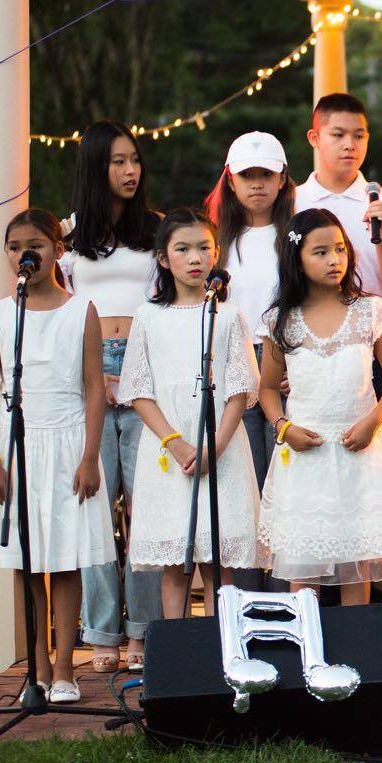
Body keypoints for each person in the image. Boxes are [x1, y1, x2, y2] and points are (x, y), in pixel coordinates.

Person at [0, 209, 114, 704]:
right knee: (29, 562)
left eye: (34, 244)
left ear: (57, 248)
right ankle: (34, 667)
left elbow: (94, 386)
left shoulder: (82, 311)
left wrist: (90, 455)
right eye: (14, 247)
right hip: (19, 445)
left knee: (68, 558)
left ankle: (64, 669)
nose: (23, 254)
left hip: (69, 439)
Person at [117, 209, 262, 627]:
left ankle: (225, 651)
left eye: (203, 247)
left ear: (216, 253)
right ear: (164, 259)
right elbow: (138, 390)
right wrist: (175, 442)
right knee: (175, 562)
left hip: (221, 447)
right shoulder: (148, 316)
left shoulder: (229, 316)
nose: (195, 257)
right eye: (183, 249)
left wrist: (214, 446)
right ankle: (180, 656)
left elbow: (240, 388)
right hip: (168, 450)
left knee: (220, 562)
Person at [257, 208, 382, 603]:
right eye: (320, 252)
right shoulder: (281, 321)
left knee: (355, 562)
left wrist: (373, 422)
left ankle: (356, 654)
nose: (334, 260)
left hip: (358, 451)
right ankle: (307, 654)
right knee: (302, 566)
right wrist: (283, 427)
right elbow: (268, 390)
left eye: (340, 249)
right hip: (306, 456)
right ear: (297, 258)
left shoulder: (369, 312)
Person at [63, 120, 163, 674]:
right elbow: (61, 308)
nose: (130, 171)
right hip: (90, 374)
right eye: (118, 161)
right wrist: (88, 375)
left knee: (148, 511)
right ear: (96, 166)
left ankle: (143, 632)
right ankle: (101, 631)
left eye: (135, 160)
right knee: (96, 507)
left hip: (146, 371)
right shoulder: (69, 237)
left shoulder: (156, 230)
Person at [205, 131, 295, 485]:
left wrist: (299, 364)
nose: (257, 184)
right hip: (231, 362)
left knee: (282, 471)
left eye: (266, 175)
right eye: (247, 175)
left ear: (282, 178)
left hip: (283, 361)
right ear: (230, 179)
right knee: (244, 473)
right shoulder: (214, 239)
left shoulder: (294, 236)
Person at [294, 94, 382, 303]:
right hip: (307, 330)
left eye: (358, 136)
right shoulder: (292, 201)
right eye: (338, 135)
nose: (350, 144)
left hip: (374, 331)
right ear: (314, 138)